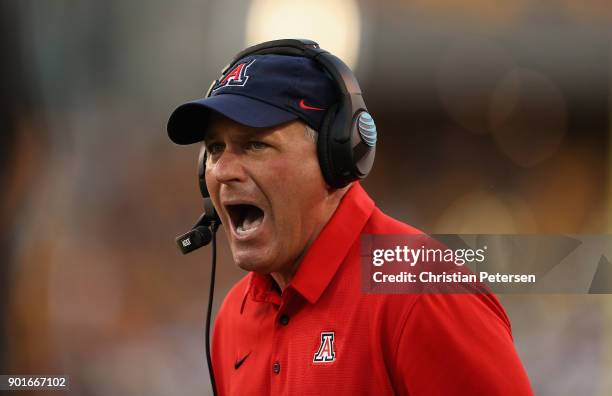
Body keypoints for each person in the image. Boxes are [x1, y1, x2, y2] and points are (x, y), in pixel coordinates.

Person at [167, 40, 533, 395]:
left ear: (336, 156)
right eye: (215, 149)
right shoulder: (235, 315)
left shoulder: (421, 291)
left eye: (255, 144)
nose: (223, 170)